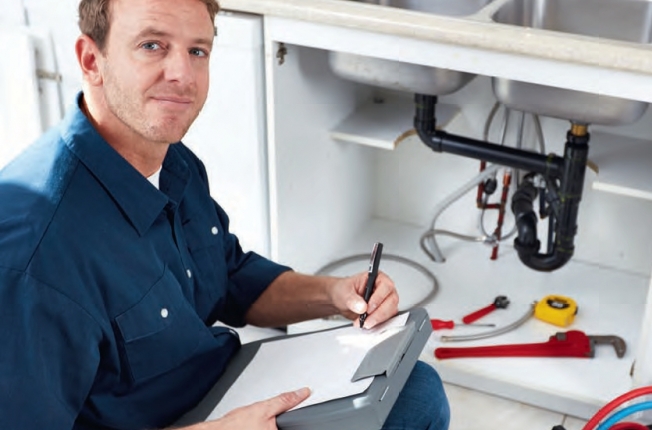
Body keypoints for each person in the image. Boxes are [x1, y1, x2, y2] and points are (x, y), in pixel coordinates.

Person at [0, 0, 450, 428]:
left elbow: (228, 275)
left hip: (214, 385)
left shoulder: (170, 160)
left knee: (413, 390)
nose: (182, 75)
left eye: (197, 51)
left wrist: (332, 294)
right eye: (152, 45)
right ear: (91, 60)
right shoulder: (36, 252)